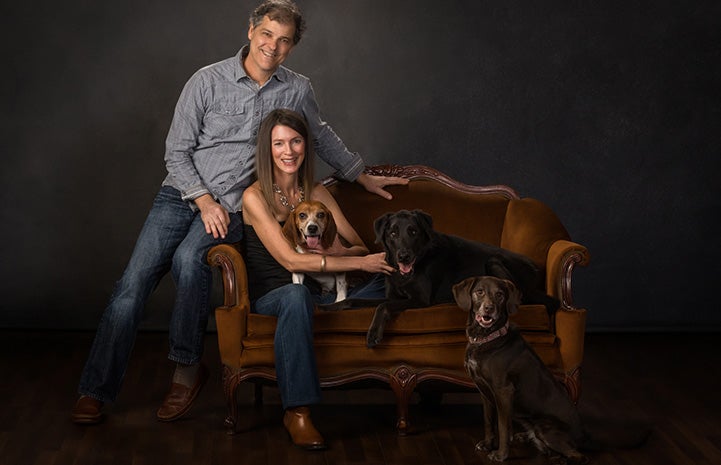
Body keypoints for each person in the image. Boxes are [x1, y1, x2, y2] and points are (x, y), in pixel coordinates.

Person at [71, 0, 407, 426]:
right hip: (182, 194)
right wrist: (202, 199)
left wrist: (361, 175)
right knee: (131, 287)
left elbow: (319, 135)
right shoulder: (206, 81)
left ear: (292, 47)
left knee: (190, 263)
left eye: (284, 41)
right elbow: (176, 151)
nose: (273, 46)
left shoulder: (297, 89)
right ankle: (96, 390)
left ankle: (186, 371)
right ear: (251, 31)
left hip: (234, 204)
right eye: (267, 34)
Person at [242, 108, 395, 450]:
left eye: (296, 141)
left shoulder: (316, 193)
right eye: (278, 143)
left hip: (323, 293)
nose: (288, 150)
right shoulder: (254, 197)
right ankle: (298, 412)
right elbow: (288, 259)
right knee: (296, 297)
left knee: (392, 277)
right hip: (278, 295)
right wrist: (344, 260)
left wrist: (342, 254)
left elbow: (357, 246)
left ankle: (343, 305)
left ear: (306, 146)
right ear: (267, 149)